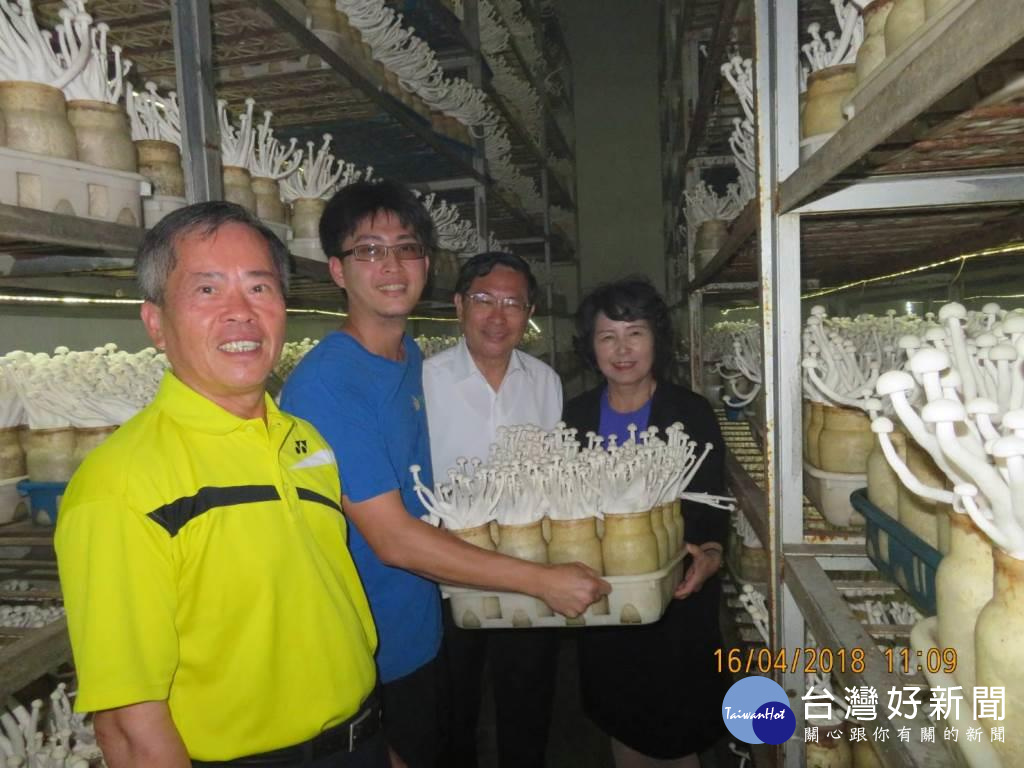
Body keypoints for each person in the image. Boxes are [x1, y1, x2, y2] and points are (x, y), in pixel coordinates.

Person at [279, 180, 609, 768]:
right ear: (336, 269)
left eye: (406, 248)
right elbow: (393, 539)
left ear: (426, 265)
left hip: (419, 623)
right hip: (368, 644)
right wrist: (541, 581)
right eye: (368, 250)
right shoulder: (330, 383)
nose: (391, 265)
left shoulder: (404, 357)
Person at [55, 202, 385, 768]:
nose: (241, 313)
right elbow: (130, 725)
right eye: (207, 290)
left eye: (259, 288)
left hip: (360, 738)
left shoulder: (304, 441)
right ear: (156, 323)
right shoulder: (121, 486)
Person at [562, 277, 730, 768]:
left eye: (635, 333)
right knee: (622, 719)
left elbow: (712, 509)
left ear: (656, 339)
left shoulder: (690, 413)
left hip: (677, 603)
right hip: (604, 602)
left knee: (677, 729)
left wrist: (710, 556)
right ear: (591, 347)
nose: (622, 350)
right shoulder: (575, 419)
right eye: (608, 336)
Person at [423, 251, 562, 768]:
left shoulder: (544, 381)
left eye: (513, 303)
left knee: (527, 700)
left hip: (528, 570)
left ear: (529, 313)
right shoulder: (426, 380)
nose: (498, 316)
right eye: (484, 300)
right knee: (451, 704)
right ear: (459, 305)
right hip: (449, 572)